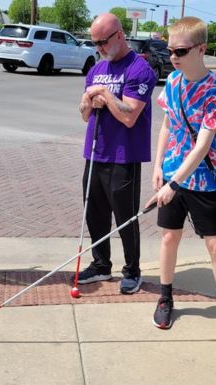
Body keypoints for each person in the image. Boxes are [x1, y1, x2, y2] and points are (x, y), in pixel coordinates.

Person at [146, 17, 216, 335]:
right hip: (171, 174)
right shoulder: (174, 84)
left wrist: (174, 183)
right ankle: (165, 299)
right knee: (169, 237)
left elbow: (204, 143)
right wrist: (158, 167)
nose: (173, 57)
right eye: (170, 50)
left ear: (201, 49)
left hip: (202, 178)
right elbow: (167, 125)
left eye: (180, 50)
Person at [77, 13, 157, 294]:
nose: (98, 47)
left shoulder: (139, 69)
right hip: (95, 153)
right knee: (95, 213)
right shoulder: (96, 69)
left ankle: (132, 270)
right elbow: (85, 114)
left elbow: (130, 116)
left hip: (124, 156)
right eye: (94, 42)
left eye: (102, 41)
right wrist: (89, 100)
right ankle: (101, 264)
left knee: (125, 217)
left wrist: (105, 96)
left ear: (119, 35)